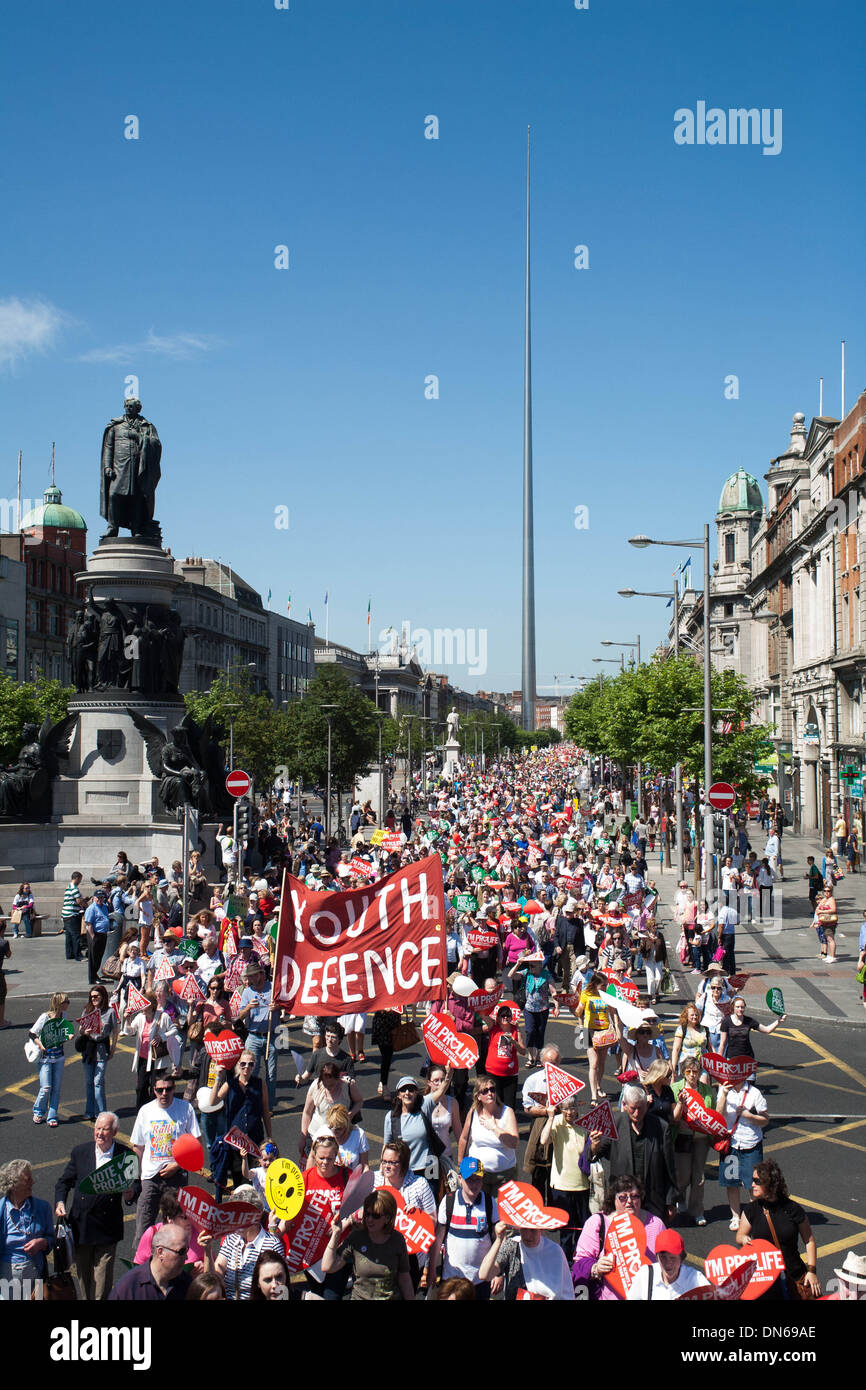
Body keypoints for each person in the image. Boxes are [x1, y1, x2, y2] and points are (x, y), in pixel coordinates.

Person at [590, 1083, 677, 1222]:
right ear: (624, 1104)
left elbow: (670, 1168)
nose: (637, 1113)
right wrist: (594, 1145)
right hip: (624, 1201)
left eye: (640, 1109)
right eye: (633, 1109)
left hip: (652, 1200)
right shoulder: (615, 1124)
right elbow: (594, 1155)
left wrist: (670, 1201)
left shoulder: (661, 1127)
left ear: (647, 1105)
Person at [131, 1073, 201, 1245]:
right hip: (150, 1177)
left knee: (176, 1228)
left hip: (176, 1176)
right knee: (143, 1227)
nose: (164, 1094)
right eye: (160, 1090)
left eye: (168, 1089)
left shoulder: (185, 1109)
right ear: (154, 1090)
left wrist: (177, 1165)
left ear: (174, 1089)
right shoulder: (145, 1111)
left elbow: (195, 1144)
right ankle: (142, 1266)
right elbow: (138, 1147)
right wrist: (133, 1177)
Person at [571, 1173, 666, 1300]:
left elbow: (668, 1262)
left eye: (634, 1196)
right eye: (623, 1197)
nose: (629, 1202)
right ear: (613, 1199)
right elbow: (580, 1262)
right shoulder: (598, 1223)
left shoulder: (656, 1224)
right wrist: (596, 1267)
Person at [736, 1158, 820, 1300]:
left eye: (757, 1181)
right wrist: (744, 1239)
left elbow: (809, 1241)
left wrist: (811, 1271)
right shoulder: (751, 1210)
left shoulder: (792, 1209)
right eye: (752, 1180)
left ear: (769, 1183)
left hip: (793, 1274)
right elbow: (740, 1235)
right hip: (765, 1277)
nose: (752, 1185)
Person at [323, 1189, 414, 1300]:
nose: (369, 1219)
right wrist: (336, 1234)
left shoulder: (397, 1240)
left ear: (387, 1218)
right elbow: (327, 1266)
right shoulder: (356, 1237)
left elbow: (404, 1278)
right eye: (367, 1214)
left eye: (375, 1215)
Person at [427, 1156, 499, 1298]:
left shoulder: (490, 1203)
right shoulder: (449, 1201)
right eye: (469, 1179)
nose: (474, 1184)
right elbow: (438, 1239)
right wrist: (432, 1269)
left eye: (478, 1179)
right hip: (452, 1279)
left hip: (480, 1279)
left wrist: (498, 1272)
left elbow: (498, 1241)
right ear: (460, 1179)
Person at [208, 1049, 272, 1194]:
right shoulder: (231, 1084)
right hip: (236, 1143)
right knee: (239, 1183)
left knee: (257, 1181)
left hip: (256, 1140)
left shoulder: (260, 1083)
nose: (246, 1067)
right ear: (238, 1064)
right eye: (243, 1064)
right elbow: (212, 1101)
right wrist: (218, 1078)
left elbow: (265, 1112)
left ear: (254, 1066)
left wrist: (269, 1138)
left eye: (250, 1064)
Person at [539, 1093, 590, 1261]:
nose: (570, 1112)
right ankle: (564, 1261)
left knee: (583, 1227)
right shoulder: (557, 1123)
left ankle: (581, 1259)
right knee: (566, 1231)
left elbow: (591, 1151)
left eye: (573, 1108)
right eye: (566, 1108)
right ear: (561, 1108)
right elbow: (544, 1140)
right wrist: (551, 1117)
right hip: (562, 1185)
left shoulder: (584, 1124)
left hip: (582, 1184)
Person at [210, 1185, 283, 1300]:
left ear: (255, 1217)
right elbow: (215, 1275)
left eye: (238, 1215)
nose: (233, 1219)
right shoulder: (231, 1238)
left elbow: (280, 1291)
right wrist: (207, 1250)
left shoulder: (272, 1245)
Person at [717, 1075, 769, 1229]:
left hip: (750, 1144)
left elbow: (765, 1119)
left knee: (753, 1183)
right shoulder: (724, 1090)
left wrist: (749, 1116)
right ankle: (735, 1217)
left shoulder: (754, 1093)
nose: (733, 1077)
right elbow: (718, 1114)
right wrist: (724, 1095)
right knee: (731, 1182)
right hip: (731, 1144)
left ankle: (752, 1217)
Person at [479, 1219, 575, 1301]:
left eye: (532, 1230)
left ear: (541, 1229)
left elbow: (565, 1293)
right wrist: (499, 1239)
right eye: (524, 1229)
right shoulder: (512, 1246)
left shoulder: (555, 1251)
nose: (528, 1235)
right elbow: (484, 1274)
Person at [384, 1072, 451, 1188]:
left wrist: (449, 1075)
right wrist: (383, 1168)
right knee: (408, 1199)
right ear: (398, 1095)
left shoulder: (424, 1105)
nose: (407, 1093)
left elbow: (441, 1091)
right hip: (406, 1168)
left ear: (416, 1093)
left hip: (430, 1165)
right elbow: (386, 1145)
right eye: (403, 1090)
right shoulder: (391, 1117)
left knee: (432, 1200)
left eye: (411, 1090)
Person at [457, 1076, 519, 1195]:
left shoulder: (507, 1112)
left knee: (500, 1211)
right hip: (477, 1175)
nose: (490, 1093)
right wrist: (461, 1166)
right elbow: (464, 1139)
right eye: (485, 1091)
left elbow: (514, 1143)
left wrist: (494, 1128)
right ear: (478, 1096)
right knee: (480, 1209)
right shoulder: (473, 1112)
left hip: (504, 1174)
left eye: (492, 1089)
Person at [0, 1160, 54, 1292]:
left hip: (35, 1271)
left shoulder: (43, 1207)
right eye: (28, 1179)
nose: (33, 1182)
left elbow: (52, 1238)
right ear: (14, 1185)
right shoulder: (2, 1210)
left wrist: (43, 1242)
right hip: (7, 1274)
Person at [671, 1058, 713, 1225]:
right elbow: (672, 1113)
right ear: (683, 1072)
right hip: (682, 1135)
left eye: (695, 1072)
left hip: (701, 1137)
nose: (692, 1075)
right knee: (682, 1175)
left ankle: (697, 1210)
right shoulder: (675, 1089)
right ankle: (680, 1197)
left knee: (699, 1177)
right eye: (688, 1071)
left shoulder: (707, 1090)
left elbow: (713, 1113)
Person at [109, 1225, 193, 1301]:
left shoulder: (188, 1284)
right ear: (160, 1252)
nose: (186, 1257)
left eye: (187, 1250)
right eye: (181, 1251)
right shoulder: (127, 1289)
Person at [236, 962, 279, 1110]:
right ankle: (250, 1103)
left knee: (271, 1074)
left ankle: (269, 1106)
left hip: (271, 1036)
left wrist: (277, 1007)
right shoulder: (247, 992)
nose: (251, 979)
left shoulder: (273, 988)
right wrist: (248, 1007)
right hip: (253, 1036)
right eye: (249, 977)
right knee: (250, 1071)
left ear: (261, 974)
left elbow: (287, 1005)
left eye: (253, 976)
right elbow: (240, 1016)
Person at [299, 1062, 362, 1161]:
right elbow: (307, 1112)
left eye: (331, 1084)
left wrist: (350, 1114)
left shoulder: (347, 1086)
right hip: (315, 1137)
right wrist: (302, 1138)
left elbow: (359, 1101)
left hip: (339, 1139)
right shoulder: (316, 1086)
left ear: (338, 1079)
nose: (328, 1087)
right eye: (325, 1083)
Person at [626, 1227, 709, 1300]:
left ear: (681, 1258)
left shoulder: (695, 1279)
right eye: (663, 1257)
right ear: (657, 1257)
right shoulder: (645, 1275)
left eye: (673, 1258)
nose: (668, 1263)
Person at [509, 949, 559, 1067]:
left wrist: (556, 1006)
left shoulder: (546, 975)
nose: (531, 967)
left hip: (543, 1009)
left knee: (540, 1033)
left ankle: (538, 1057)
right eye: (529, 965)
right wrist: (518, 963)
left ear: (540, 965)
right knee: (530, 1031)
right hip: (529, 1008)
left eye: (533, 965)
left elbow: (553, 991)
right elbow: (510, 975)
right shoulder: (527, 973)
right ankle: (530, 1056)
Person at [30, 990, 71, 1126]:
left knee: (56, 1088)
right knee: (46, 1087)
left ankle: (52, 1116)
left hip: (59, 1056)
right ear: (59, 1003)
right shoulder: (45, 1017)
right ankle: (38, 1111)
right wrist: (41, 1045)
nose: (68, 1004)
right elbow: (32, 1034)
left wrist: (68, 1036)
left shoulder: (63, 1015)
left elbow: (64, 1033)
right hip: (46, 1057)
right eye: (66, 1002)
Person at [78, 984, 117, 1120]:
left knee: (98, 1082)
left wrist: (113, 1048)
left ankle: (102, 1113)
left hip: (102, 1049)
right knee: (89, 1082)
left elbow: (115, 1031)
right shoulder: (87, 1010)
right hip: (89, 1049)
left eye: (96, 996)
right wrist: (85, 1032)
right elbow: (80, 1029)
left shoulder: (110, 1012)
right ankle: (89, 1111)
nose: (93, 999)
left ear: (103, 997)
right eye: (91, 997)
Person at [579, 971, 619, 1103]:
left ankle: (598, 1085)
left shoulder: (607, 995)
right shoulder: (585, 994)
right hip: (588, 1031)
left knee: (602, 1063)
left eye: (606, 985)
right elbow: (579, 1012)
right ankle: (593, 1095)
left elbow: (613, 1013)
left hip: (604, 1031)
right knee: (593, 1064)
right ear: (595, 984)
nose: (605, 988)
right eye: (603, 986)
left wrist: (617, 1029)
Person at [480, 1005, 526, 1111]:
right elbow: (482, 1014)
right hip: (493, 1072)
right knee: (495, 1103)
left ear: (511, 1017)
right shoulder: (493, 1027)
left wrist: (514, 1042)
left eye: (508, 1016)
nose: (505, 1018)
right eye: (502, 1015)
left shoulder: (515, 1030)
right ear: (498, 1018)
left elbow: (523, 1051)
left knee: (509, 1106)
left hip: (510, 1074)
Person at [720, 995, 786, 1059]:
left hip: (747, 1057)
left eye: (742, 1007)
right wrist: (718, 1060)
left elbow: (767, 1030)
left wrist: (779, 1021)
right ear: (733, 1007)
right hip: (732, 1057)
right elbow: (722, 1044)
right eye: (737, 1007)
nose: (740, 1009)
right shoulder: (726, 1022)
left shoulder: (749, 1021)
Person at [319, 1103, 369, 1171]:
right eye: (331, 1127)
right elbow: (313, 1158)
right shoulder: (323, 1132)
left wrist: (365, 1179)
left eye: (339, 1128)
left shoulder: (359, 1134)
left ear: (346, 1124)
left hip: (352, 1180)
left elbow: (365, 1165)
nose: (334, 1131)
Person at [669, 1003, 708, 1078]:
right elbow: (676, 1050)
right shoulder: (682, 1029)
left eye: (696, 1015)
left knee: (704, 1081)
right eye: (692, 1015)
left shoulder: (704, 1029)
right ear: (686, 1016)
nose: (695, 1017)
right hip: (687, 1064)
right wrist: (673, 1069)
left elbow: (710, 1048)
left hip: (702, 1064)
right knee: (689, 1086)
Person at [62, 871, 87, 962]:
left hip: (66, 915)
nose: (80, 881)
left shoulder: (69, 887)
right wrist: (86, 905)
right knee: (76, 935)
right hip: (72, 914)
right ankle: (78, 955)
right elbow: (78, 901)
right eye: (80, 879)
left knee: (68, 935)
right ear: (77, 878)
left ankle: (70, 954)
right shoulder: (74, 888)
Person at [814, 884, 839, 962]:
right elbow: (819, 906)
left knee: (830, 939)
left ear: (831, 891)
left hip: (830, 922)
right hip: (824, 922)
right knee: (828, 939)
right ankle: (830, 955)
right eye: (825, 891)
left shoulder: (831, 899)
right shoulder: (825, 899)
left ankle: (832, 956)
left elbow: (833, 909)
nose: (826, 892)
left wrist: (822, 911)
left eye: (828, 891)